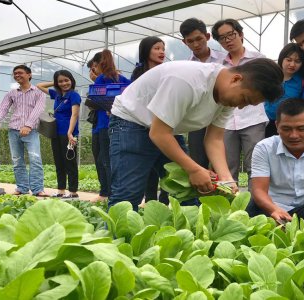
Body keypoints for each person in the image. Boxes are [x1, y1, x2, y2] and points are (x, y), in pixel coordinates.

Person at [108, 58, 284, 211]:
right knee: (127, 196)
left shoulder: (227, 96)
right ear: (236, 79)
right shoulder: (188, 81)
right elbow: (159, 133)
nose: (240, 106)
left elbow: (214, 138)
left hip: (167, 129)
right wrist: (194, 169)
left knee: (189, 194)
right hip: (131, 123)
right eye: (245, 99)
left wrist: (226, 178)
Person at [211, 18, 268, 188]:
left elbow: (265, 88)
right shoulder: (218, 65)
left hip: (253, 119)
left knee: (255, 166)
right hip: (226, 122)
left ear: (241, 34)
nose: (228, 40)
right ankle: (228, 206)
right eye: (222, 38)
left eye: (231, 35)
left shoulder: (258, 59)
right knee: (228, 167)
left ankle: (255, 206)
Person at [130, 36, 185, 204]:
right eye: (157, 48)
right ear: (146, 51)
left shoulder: (168, 72)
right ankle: (151, 203)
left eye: (163, 48)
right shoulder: (138, 75)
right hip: (145, 129)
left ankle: (167, 201)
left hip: (169, 129)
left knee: (173, 171)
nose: (161, 52)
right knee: (149, 172)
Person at [0, 65, 48, 197]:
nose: (17, 75)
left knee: (35, 159)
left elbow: (38, 110)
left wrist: (28, 126)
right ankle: (22, 188)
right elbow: (3, 108)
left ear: (29, 74)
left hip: (31, 131)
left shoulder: (38, 92)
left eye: (20, 73)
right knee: (17, 160)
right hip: (13, 130)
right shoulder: (12, 93)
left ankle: (37, 189)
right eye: (15, 74)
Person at [180, 17, 226, 169]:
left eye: (199, 39)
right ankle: (201, 192)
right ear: (184, 42)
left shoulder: (224, 60)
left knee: (222, 160)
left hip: (221, 116)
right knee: (198, 160)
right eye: (190, 41)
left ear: (207, 37)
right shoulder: (186, 66)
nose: (196, 44)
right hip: (197, 119)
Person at [91, 49, 131, 202]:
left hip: (104, 125)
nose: (94, 69)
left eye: (94, 66)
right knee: (110, 159)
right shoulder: (121, 78)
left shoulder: (101, 79)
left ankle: (108, 193)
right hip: (116, 123)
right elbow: (131, 89)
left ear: (99, 64)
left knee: (105, 160)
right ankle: (111, 192)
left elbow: (96, 97)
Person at [37, 70, 81, 199]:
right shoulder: (57, 94)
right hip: (55, 133)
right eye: (60, 81)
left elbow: (75, 115)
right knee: (59, 162)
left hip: (69, 134)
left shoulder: (74, 95)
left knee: (70, 163)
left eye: (67, 80)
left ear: (72, 80)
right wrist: (55, 82)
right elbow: (40, 86)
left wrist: (70, 132)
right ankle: (61, 190)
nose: (64, 83)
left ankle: (73, 192)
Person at [264, 43, 304, 137]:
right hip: (266, 124)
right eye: (289, 60)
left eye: (297, 61)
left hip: (289, 126)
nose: (292, 64)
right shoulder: (270, 76)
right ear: (281, 58)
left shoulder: (302, 82)